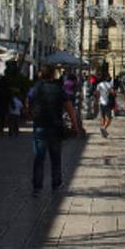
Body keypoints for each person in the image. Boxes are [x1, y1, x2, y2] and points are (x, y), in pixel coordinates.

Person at [28, 66, 78, 196]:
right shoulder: (59, 89)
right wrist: (75, 125)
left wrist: (31, 114)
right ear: (52, 76)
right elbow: (70, 109)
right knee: (55, 158)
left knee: (39, 158)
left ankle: (37, 188)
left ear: (41, 75)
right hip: (55, 127)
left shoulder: (36, 88)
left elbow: (28, 102)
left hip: (40, 126)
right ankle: (56, 185)